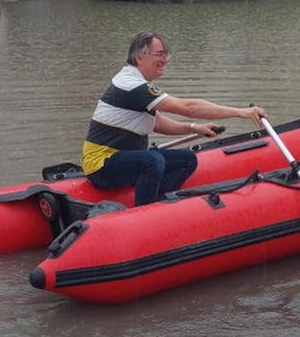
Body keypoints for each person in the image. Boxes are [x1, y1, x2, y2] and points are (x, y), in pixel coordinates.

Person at [82, 32, 267, 207]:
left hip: (121, 159)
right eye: (160, 54)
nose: (165, 60)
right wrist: (241, 112)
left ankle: (161, 202)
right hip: (101, 165)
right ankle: (145, 211)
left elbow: (157, 123)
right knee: (153, 161)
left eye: (166, 54)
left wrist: (195, 128)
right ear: (139, 58)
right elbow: (190, 108)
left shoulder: (135, 84)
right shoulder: (132, 85)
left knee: (186, 160)